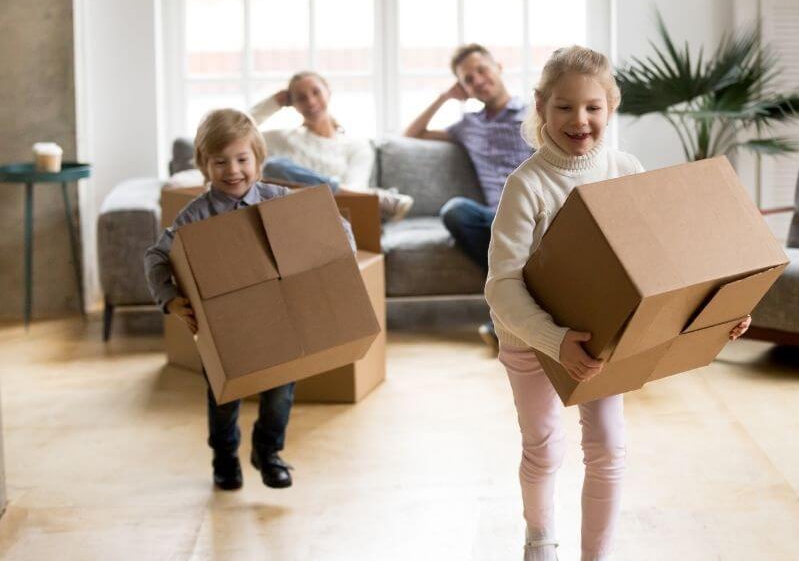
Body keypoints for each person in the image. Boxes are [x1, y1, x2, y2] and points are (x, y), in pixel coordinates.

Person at [484, 46, 753, 561]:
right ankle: (539, 542)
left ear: (610, 107)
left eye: (592, 107)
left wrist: (719, 314)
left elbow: (660, 261)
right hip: (532, 341)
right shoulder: (527, 186)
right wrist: (553, 339)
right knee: (542, 446)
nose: (578, 120)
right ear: (541, 107)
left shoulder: (625, 168)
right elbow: (501, 285)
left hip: (604, 341)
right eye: (563, 107)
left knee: (608, 449)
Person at [144, 108, 354, 491]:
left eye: (242, 159)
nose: (233, 170)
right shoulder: (196, 217)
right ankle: (224, 459)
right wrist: (170, 300)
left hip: (281, 325)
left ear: (258, 159)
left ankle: (268, 453)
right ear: (204, 166)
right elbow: (156, 257)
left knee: (279, 397)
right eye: (220, 162)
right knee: (224, 401)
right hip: (224, 331)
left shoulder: (277, 199)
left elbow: (336, 225)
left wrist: (337, 266)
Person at [404, 44, 535, 347]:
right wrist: (444, 97)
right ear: (462, 88)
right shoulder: (468, 125)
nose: (477, 80)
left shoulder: (534, 113)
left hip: (533, 210)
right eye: (467, 79)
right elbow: (411, 134)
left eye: (481, 70)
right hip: (494, 218)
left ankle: (505, 314)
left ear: (498, 67)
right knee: (454, 210)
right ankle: (517, 304)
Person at [252, 70, 414, 221]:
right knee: (272, 165)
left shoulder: (356, 146)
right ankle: (379, 198)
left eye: (316, 92)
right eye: (301, 98)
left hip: (338, 215)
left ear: (328, 91)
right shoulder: (284, 139)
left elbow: (356, 192)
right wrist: (272, 103)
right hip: (295, 214)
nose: (311, 101)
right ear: (292, 104)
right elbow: (235, 131)